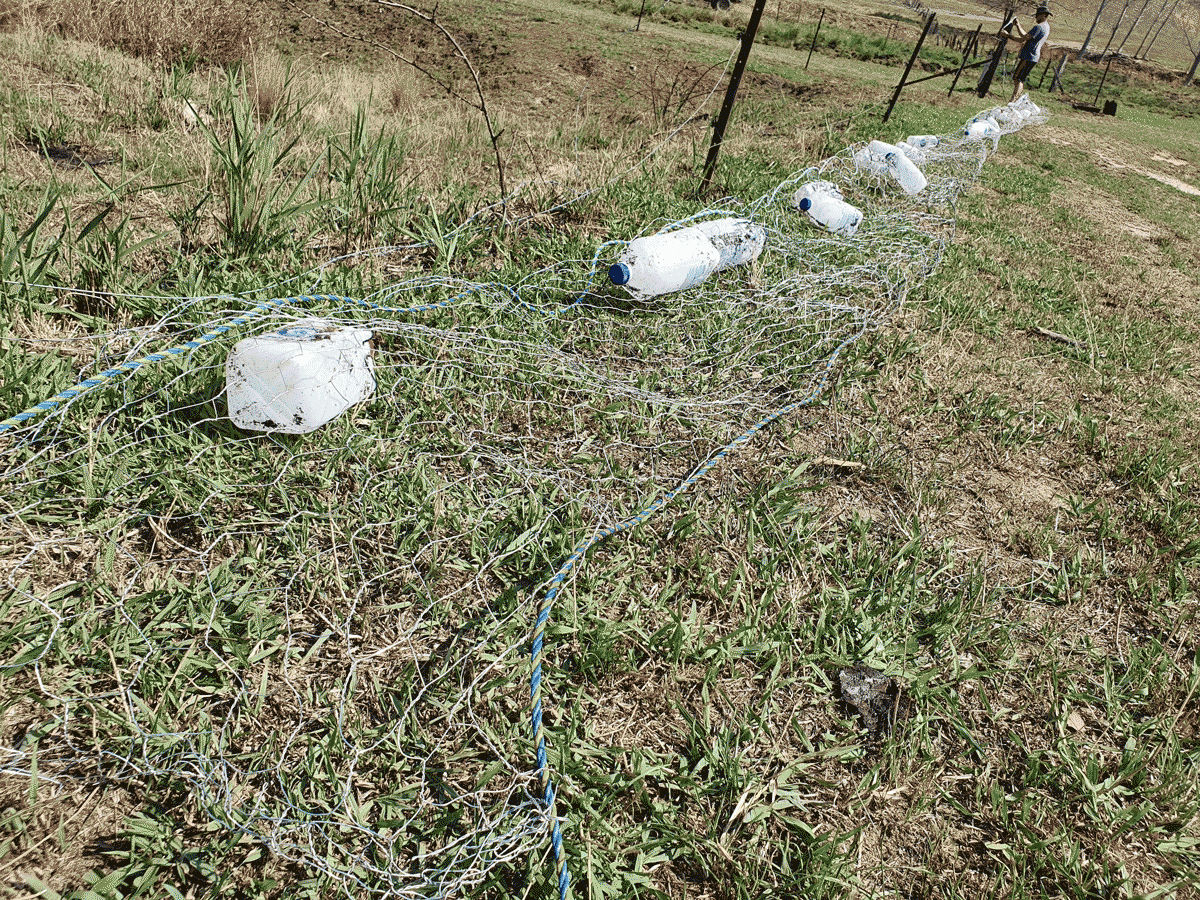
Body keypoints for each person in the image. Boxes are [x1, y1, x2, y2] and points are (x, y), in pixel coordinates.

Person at [1000, 5, 1053, 102]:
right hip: (1032, 56)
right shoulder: (1046, 27)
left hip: (1029, 56)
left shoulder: (1039, 27)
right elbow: (1025, 37)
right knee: (1019, 78)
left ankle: (1013, 101)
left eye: (1037, 15)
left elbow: (1023, 38)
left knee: (1018, 78)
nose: (1036, 17)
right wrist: (1017, 26)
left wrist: (1008, 35)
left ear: (1043, 15)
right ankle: (1015, 100)